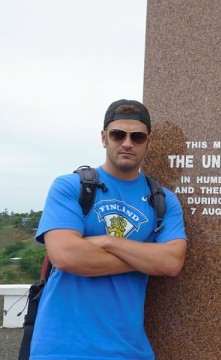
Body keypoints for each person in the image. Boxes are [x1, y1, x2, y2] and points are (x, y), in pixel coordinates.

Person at [30, 99, 188, 359]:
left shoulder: (163, 200)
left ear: (148, 142)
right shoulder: (70, 187)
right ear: (104, 138)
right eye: (118, 134)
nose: (127, 143)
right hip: (62, 348)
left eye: (137, 137)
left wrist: (106, 242)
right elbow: (66, 256)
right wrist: (147, 258)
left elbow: (171, 262)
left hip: (129, 350)